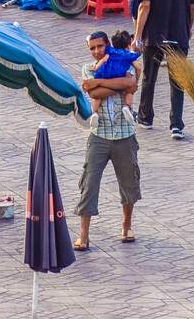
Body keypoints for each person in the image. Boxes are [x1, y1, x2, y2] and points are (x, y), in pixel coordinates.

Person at [73, 28, 141, 250]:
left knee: (128, 182)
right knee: (89, 184)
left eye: (100, 46)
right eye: (92, 48)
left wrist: (101, 84)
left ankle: (126, 225)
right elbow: (93, 94)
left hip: (124, 135)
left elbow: (130, 84)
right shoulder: (88, 68)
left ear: (108, 45)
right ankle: (84, 234)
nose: (96, 51)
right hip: (99, 136)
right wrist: (118, 84)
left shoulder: (122, 60)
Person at [132, 0, 194, 138]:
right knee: (178, 80)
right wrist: (188, 27)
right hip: (179, 34)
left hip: (154, 36)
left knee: (149, 78)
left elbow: (144, 6)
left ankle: (145, 117)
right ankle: (176, 124)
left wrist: (138, 36)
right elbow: (192, 7)